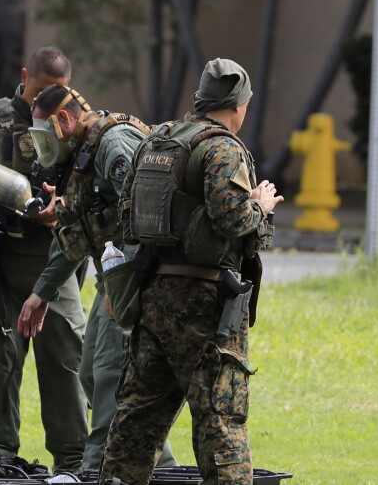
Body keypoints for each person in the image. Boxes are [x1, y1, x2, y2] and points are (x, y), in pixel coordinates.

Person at [99, 58, 282, 484]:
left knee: (136, 420)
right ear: (238, 105)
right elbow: (234, 220)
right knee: (221, 421)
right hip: (206, 303)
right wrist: (261, 204)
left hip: (153, 298)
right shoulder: (222, 148)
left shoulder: (155, 142)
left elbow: (127, 216)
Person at [17, 84, 178, 471]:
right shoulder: (82, 155)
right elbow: (78, 232)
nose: (41, 147)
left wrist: (127, 283)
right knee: (93, 374)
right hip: (117, 279)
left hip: (134, 278)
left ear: (66, 120)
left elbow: (148, 216)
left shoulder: (113, 144)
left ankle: (95, 473)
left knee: (109, 377)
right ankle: (163, 468)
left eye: (42, 136)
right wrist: (43, 292)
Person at [0, 47, 88, 472]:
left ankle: (73, 462)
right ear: (23, 77)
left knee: (67, 364)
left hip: (56, 262)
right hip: (2, 263)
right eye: (37, 93)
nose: (44, 107)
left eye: (55, 95)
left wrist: (63, 210)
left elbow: (94, 187)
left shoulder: (75, 125)